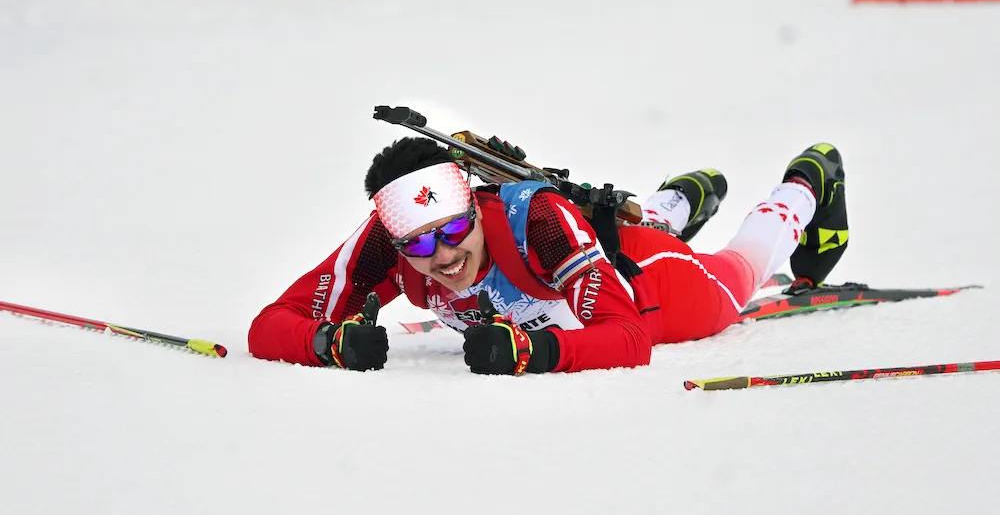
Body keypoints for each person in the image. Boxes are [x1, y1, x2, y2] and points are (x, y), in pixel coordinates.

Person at [248, 139, 848, 374]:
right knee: (612, 221)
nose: (444, 255)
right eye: (422, 244)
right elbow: (269, 326)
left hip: (651, 286)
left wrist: (533, 353)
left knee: (740, 272)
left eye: (454, 229)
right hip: (591, 247)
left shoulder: (534, 221)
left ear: (475, 206)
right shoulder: (387, 241)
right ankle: (675, 201)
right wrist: (326, 344)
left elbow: (630, 339)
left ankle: (805, 184)